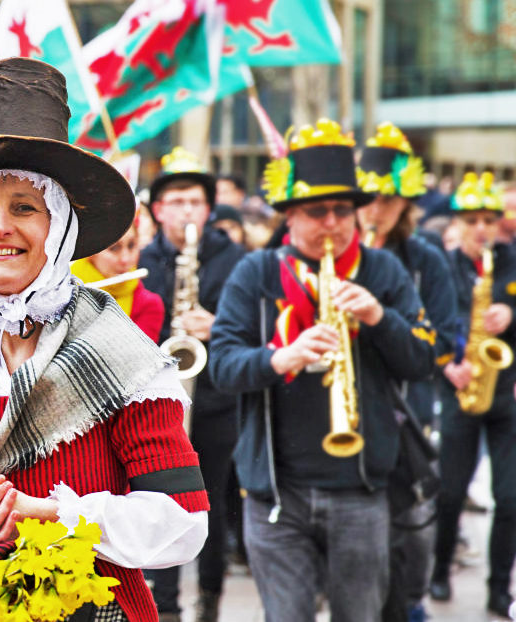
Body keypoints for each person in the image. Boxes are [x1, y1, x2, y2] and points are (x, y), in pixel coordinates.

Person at [0, 57, 208, 622]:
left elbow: (182, 522)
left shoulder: (125, 358)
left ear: (59, 229)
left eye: (25, 208)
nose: (0, 228)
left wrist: (50, 515)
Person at [209, 119, 437, 622]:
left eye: (342, 211)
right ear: (289, 215)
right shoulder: (258, 272)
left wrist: (379, 318)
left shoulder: (383, 271)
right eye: (317, 212)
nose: (332, 224)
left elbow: (423, 359)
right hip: (277, 495)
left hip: (361, 491)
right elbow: (222, 366)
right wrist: (279, 358)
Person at [356, 122, 458, 622]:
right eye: (368, 198)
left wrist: (387, 323)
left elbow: (443, 337)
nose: (376, 209)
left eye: (389, 199)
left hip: (408, 416)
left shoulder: (425, 260)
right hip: (347, 418)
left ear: (406, 204)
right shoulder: (337, 256)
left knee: (408, 541)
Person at [139, 146, 245, 622]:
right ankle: (164, 604)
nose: (186, 211)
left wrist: (216, 326)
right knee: (161, 501)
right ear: (158, 210)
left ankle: (209, 597)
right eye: (176, 201)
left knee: (215, 502)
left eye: (195, 202)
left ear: (209, 208)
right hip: (158, 403)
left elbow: (255, 328)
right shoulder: (143, 258)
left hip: (218, 400)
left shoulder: (237, 259)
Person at [429, 172, 516, 617]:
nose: (481, 227)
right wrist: (448, 364)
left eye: (488, 218)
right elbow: (426, 326)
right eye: (471, 219)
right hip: (461, 390)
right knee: (449, 492)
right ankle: (440, 568)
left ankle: (500, 588)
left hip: (507, 395)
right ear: (458, 222)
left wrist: (512, 311)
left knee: (510, 496)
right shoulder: (440, 266)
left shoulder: (513, 262)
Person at [71, 220, 164, 341]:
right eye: (114, 248)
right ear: (91, 251)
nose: (125, 259)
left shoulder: (148, 304)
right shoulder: (63, 291)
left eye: (131, 246)